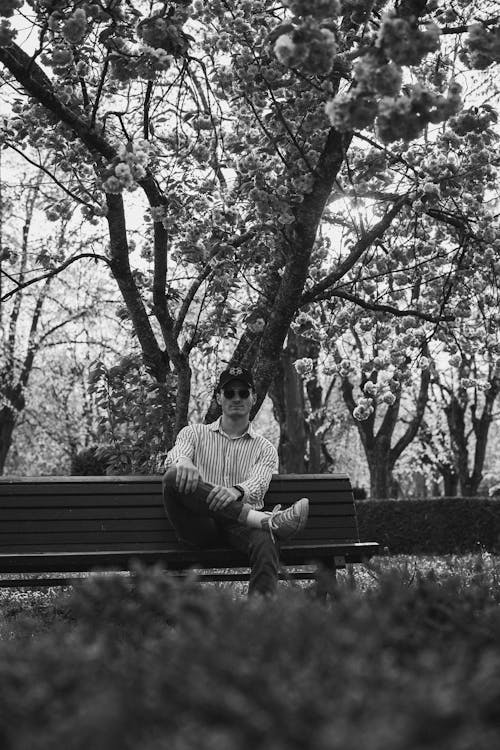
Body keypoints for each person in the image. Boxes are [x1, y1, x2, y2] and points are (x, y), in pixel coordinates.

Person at [162, 365, 309, 596]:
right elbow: (176, 455)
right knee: (172, 475)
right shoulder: (193, 433)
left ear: (253, 398)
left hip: (240, 527)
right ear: (219, 397)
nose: (236, 398)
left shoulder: (265, 448)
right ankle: (268, 520)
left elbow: (259, 482)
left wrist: (236, 491)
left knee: (265, 541)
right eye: (229, 393)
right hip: (200, 526)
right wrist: (183, 461)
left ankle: (257, 618)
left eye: (243, 393)